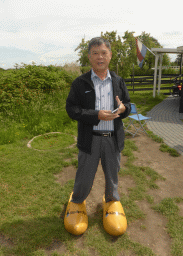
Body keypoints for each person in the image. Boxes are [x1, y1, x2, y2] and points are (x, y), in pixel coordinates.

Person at [64, 37, 131, 236]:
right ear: (89, 57)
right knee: (85, 175)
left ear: (110, 55)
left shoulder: (118, 81)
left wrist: (123, 108)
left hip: (112, 137)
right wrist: (96, 115)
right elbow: (72, 109)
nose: (100, 57)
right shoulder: (80, 82)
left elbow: (127, 105)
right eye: (95, 53)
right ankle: (77, 201)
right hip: (90, 138)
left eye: (104, 53)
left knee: (113, 174)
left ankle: (111, 201)